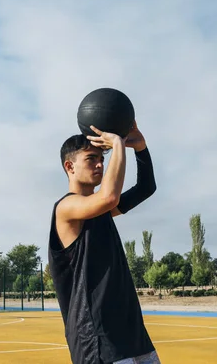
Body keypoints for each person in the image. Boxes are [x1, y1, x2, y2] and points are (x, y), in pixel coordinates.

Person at [48, 120, 160, 364]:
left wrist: (140, 148)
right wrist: (118, 143)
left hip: (132, 334)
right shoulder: (66, 209)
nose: (100, 164)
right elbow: (109, 197)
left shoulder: (100, 211)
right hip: (97, 340)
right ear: (70, 166)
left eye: (102, 158)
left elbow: (145, 188)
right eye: (91, 159)